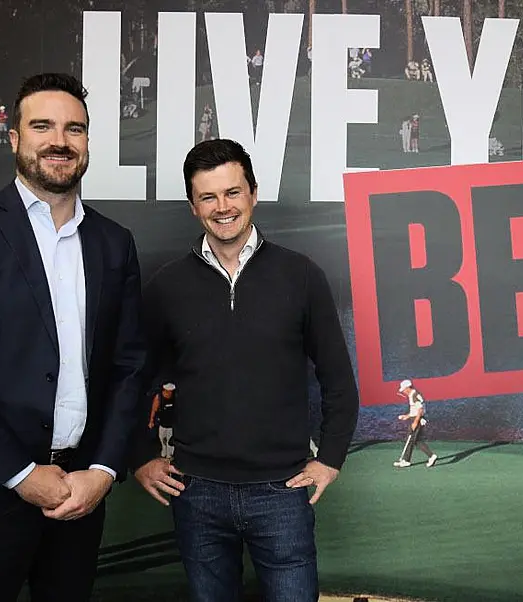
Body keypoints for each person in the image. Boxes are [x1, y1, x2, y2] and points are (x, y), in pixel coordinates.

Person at [0, 72, 148, 602]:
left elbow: (130, 366)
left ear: (87, 143)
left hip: (79, 498)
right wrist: (18, 474)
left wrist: (103, 469)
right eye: (42, 126)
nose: (60, 140)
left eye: (74, 129)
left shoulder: (113, 243)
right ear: (15, 139)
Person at [131, 138, 360, 602]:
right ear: (193, 207)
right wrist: (140, 456)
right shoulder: (167, 286)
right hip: (196, 492)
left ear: (253, 194)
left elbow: (338, 379)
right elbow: (134, 380)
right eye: (208, 197)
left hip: (282, 490)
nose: (222, 207)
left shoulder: (301, 275)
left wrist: (330, 458)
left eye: (232, 192)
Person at [393, 379, 438, 468]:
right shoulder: (412, 395)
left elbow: (420, 410)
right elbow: (415, 410)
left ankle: (405, 460)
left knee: (410, 439)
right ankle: (431, 456)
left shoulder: (414, 395)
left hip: (417, 419)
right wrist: (406, 416)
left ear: (408, 388)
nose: (403, 392)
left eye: (404, 389)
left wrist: (415, 422)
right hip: (416, 418)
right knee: (416, 440)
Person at [148, 383, 177, 459]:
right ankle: (164, 451)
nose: (170, 393)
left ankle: (169, 455)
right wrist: (151, 421)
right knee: (162, 439)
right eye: (168, 391)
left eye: (171, 391)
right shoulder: (159, 397)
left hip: (171, 425)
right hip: (162, 423)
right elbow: (154, 409)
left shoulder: (175, 397)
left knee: (170, 441)